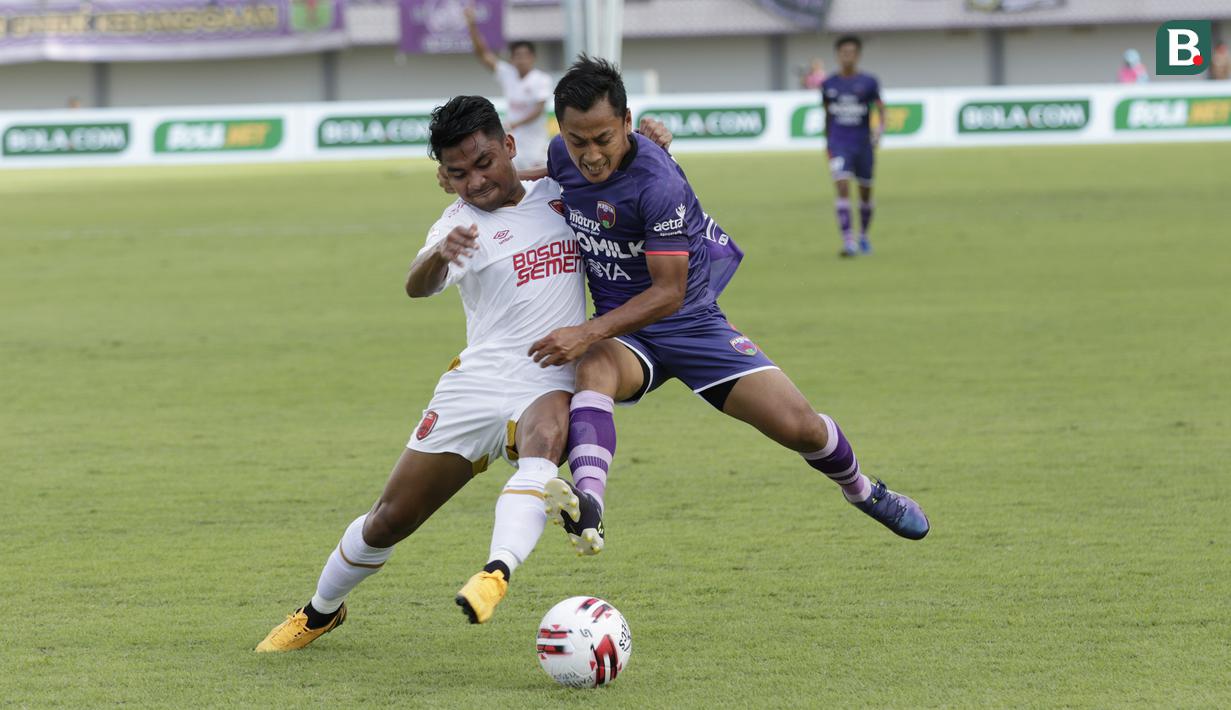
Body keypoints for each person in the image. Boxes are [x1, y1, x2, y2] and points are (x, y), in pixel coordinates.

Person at [254, 97, 675, 652]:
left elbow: (612, 168)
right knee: (389, 519)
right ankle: (320, 611)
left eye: (483, 163)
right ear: (442, 177)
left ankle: (495, 574)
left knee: (545, 441)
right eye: (457, 173)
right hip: (475, 383)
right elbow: (417, 285)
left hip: (548, 372)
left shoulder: (560, 193)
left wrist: (649, 144)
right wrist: (439, 256)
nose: (475, 182)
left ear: (508, 146)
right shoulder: (457, 223)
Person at [528, 57, 929, 560]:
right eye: (575, 139)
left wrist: (586, 330)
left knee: (800, 426)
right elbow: (537, 179)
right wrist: (475, 185)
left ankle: (864, 491)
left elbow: (668, 293)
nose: (588, 155)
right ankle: (589, 501)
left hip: (691, 325)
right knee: (596, 367)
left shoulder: (658, 184)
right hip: (626, 337)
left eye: (602, 139)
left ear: (627, 124)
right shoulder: (562, 155)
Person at [464, 6, 553, 171]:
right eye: (518, 56)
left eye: (525, 55)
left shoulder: (541, 79)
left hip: (536, 144)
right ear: (512, 58)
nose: (522, 60)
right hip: (512, 141)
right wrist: (472, 25)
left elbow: (539, 110)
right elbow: (482, 53)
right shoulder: (508, 74)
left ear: (533, 57)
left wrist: (515, 123)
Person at [821, 35, 884, 257]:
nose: (847, 56)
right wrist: (827, 143)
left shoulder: (869, 82)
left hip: (863, 145)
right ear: (838, 55)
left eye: (851, 52)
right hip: (839, 144)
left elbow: (880, 107)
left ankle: (864, 236)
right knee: (842, 186)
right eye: (843, 52)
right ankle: (848, 241)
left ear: (857, 55)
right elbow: (827, 114)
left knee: (865, 193)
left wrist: (879, 131)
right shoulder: (829, 84)